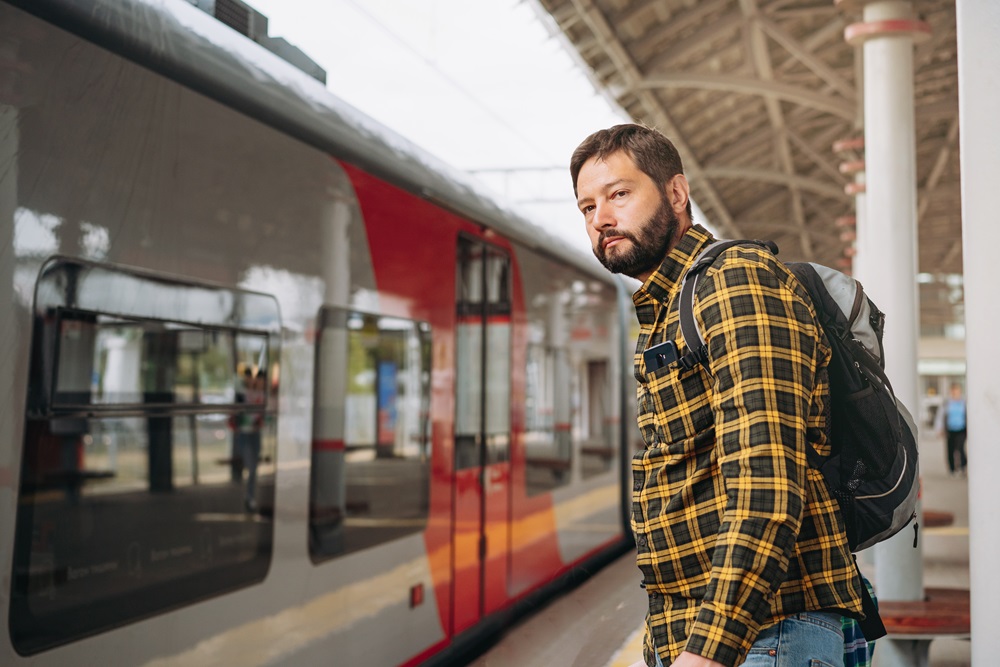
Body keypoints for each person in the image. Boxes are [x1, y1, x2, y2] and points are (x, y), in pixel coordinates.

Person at [571, 124, 864, 667]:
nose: (601, 219)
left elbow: (767, 488)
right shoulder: (669, 306)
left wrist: (708, 652)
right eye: (587, 207)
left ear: (676, 193)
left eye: (619, 194)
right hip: (713, 630)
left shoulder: (735, 283)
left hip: (765, 634)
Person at [943, 382, 967, 476]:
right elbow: (942, 415)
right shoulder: (947, 403)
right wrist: (940, 428)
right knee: (950, 449)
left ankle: (962, 466)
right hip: (950, 429)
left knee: (960, 448)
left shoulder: (964, 402)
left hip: (961, 428)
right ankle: (952, 469)